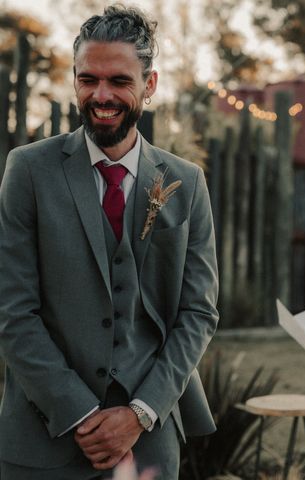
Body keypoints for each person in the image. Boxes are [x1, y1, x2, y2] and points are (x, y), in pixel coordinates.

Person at [0, 5, 219, 479]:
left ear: (150, 85)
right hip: (44, 440)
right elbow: (11, 308)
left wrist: (140, 412)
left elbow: (198, 312)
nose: (101, 95)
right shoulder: (28, 171)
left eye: (119, 81)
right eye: (87, 80)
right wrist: (79, 412)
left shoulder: (187, 181)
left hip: (150, 441)